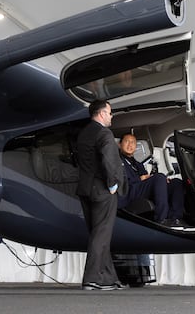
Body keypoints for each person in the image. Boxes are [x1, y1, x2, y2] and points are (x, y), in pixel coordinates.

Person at [76, 99, 126, 291]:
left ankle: (108, 279)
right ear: (102, 114)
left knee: (98, 234)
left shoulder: (84, 133)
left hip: (85, 189)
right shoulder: (104, 133)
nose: (111, 116)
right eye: (110, 112)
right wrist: (113, 184)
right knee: (101, 235)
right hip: (102, 190)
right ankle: (92, 278)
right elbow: (108, 161)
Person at [117, 133, 195, 231]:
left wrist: (160, 180)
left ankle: (175, 218)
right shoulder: (117, 160)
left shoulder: (137, 164)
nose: (130, 145)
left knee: (176, 182)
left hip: (139, 188)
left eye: (133, 142)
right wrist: (142, 179)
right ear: (119, 144)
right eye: (127, 141)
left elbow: (145, 178)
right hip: (128, 190)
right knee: (159, 177)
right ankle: (161, 219)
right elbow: (119, 179)